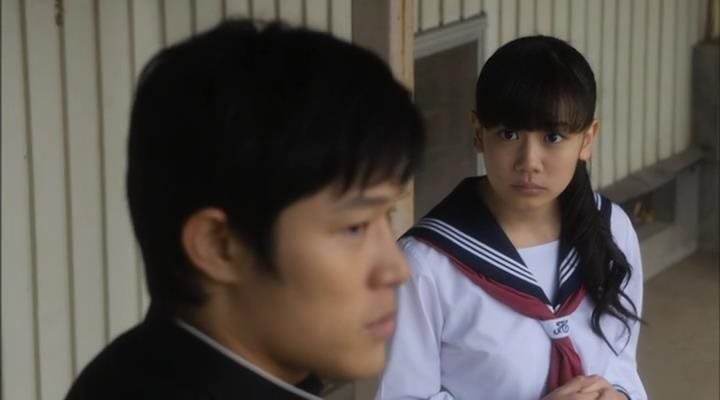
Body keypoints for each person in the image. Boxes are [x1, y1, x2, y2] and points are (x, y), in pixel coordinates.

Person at [65, 19, 425, 400]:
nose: (397, 270)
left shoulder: (134, 368)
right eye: (355, 227)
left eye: (388, 215)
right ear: (219, 245)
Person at [376, 35, 646, 400]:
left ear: (587, 139)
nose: (529, 162)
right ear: (478, 133)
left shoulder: (611, 229)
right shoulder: (425, 265)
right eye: (509, 133)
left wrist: (619, 396)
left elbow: (622, 364)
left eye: (553, 137)